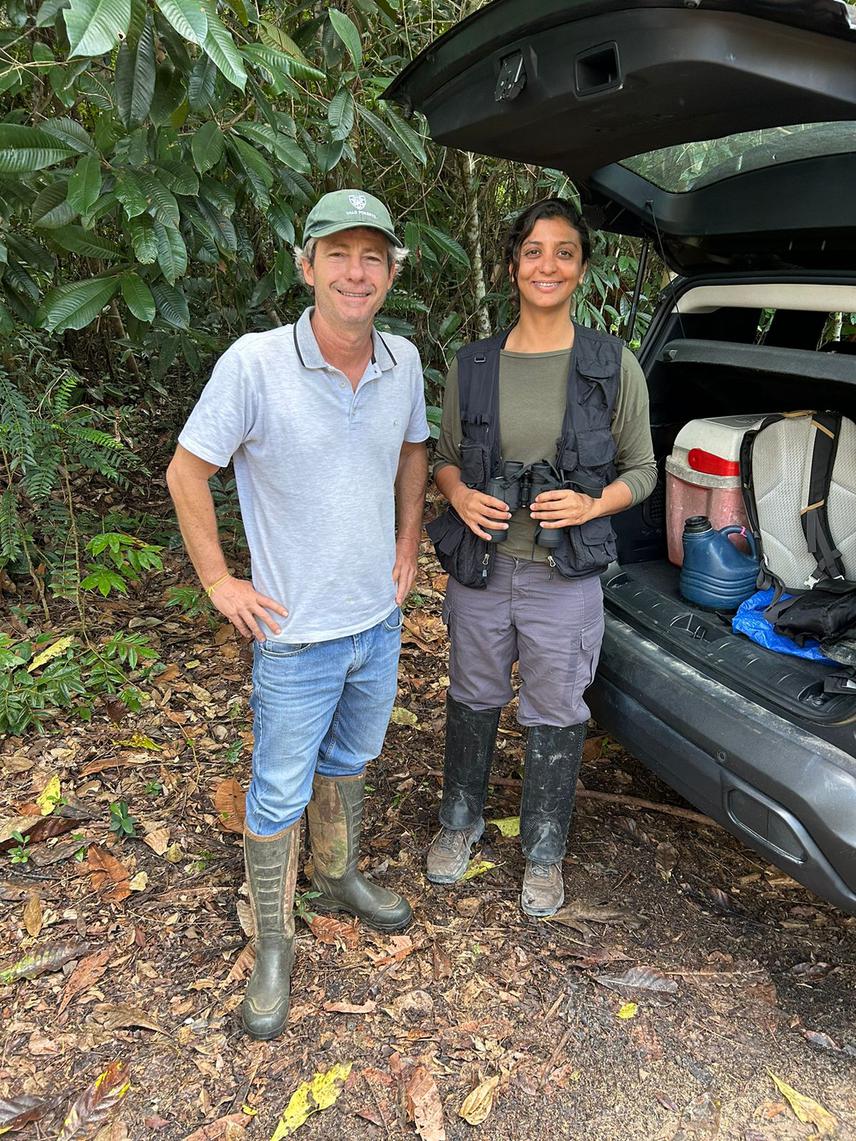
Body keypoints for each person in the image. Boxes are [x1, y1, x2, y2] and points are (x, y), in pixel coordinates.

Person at [166, 189, 429, 1039]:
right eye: (339, 254)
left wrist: (408, 543)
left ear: (390, 272)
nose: (357, 272)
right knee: (277, 788)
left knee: (353, 756)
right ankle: (274, 941)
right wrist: (219, 583)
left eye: (373, 257)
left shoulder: (404, 363)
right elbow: (186, 471)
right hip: (293, 636)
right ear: (306, 264)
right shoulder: (255, 363)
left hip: (375, 623)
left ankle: (340, 874)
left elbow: (416, 449)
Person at [425, 197, 656, 917]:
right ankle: (458, 824)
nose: (546, 264)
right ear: (512, 264)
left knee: (557, 709)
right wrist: (459, 495)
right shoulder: (475, 363)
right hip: (485, 569)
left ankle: (545, 852)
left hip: (565, 575)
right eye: (533, 251)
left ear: (583, 267)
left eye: (563, 251)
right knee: (473, 696)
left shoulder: (610, 365)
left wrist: (590, 505)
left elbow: (645, 469)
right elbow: (447, 460)